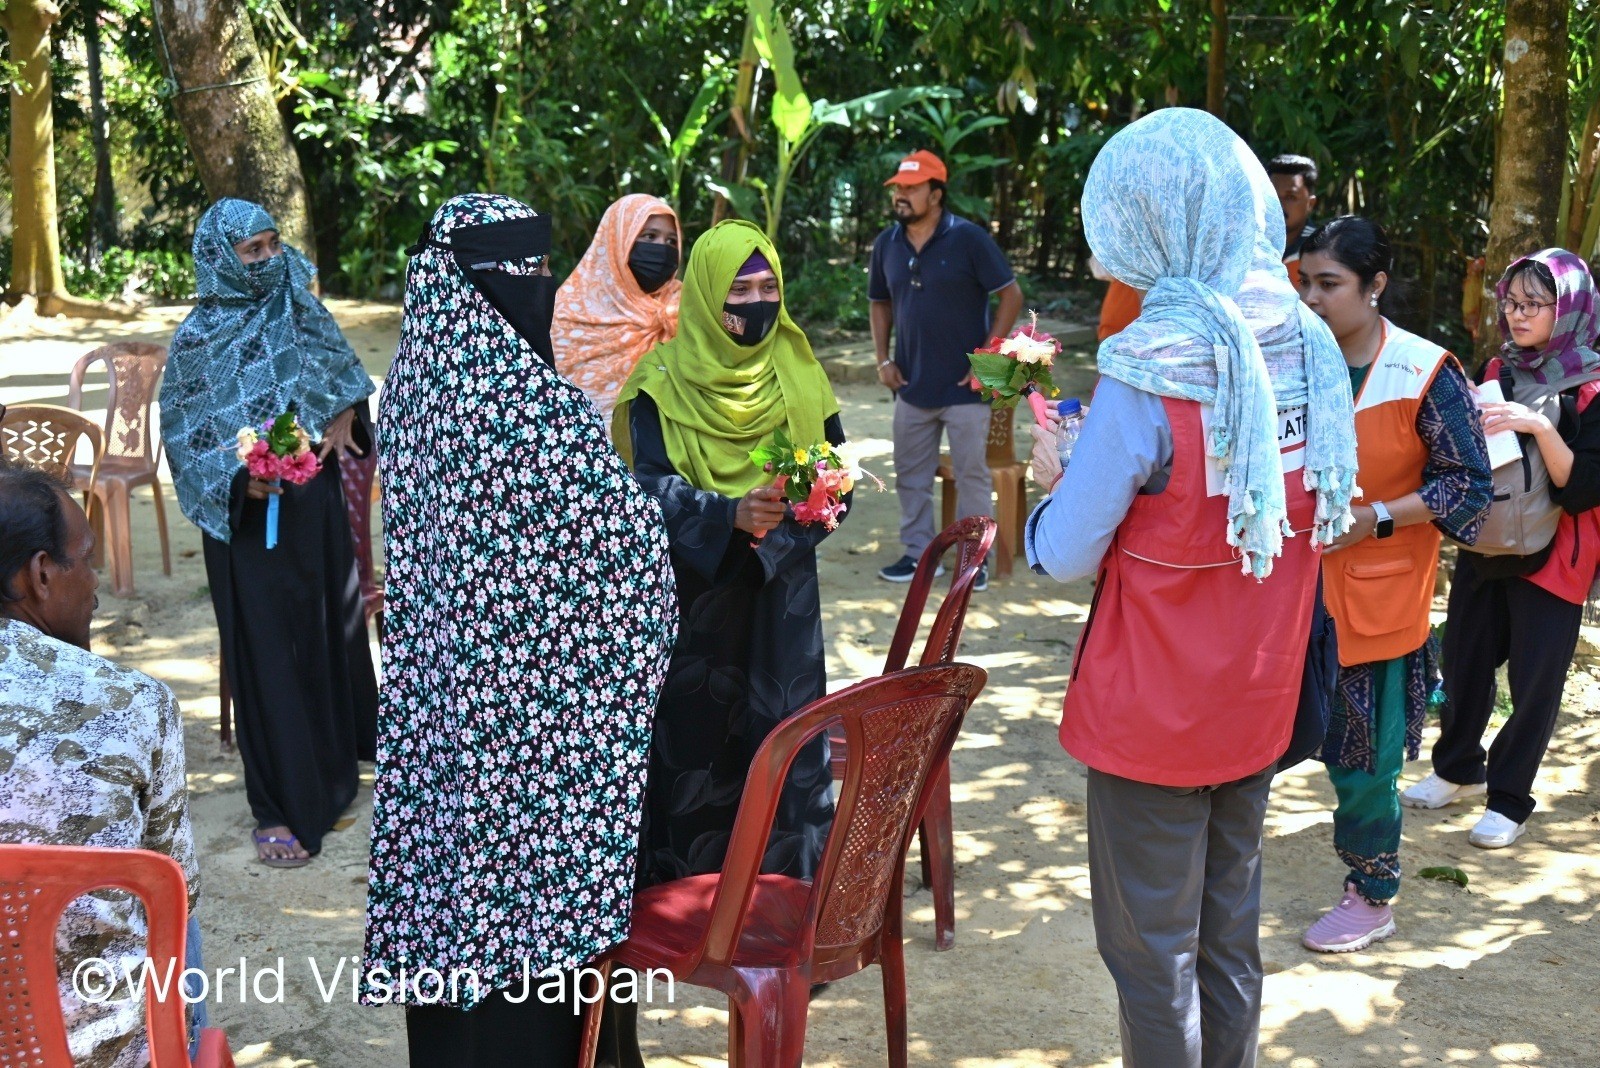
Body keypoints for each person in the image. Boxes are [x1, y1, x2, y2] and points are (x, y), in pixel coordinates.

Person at [1024, 108, 1359, 1068]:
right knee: (1227, 936)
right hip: (1258, 693)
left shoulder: (1152, 368)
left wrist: (1055, 483)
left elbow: (1068, 551)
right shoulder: (1310, 346)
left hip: (1152, 714)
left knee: (1150, 958)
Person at [361, 193, 678, 1066]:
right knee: (533, 944)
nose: (541, 286)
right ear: (483, 279)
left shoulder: (417, 384)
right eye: (527, 270)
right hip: (537, 754)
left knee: (454, 904)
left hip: (445, 719)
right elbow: (628, 549)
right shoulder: (525, 406)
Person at [160, 198, 378, 868]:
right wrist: (239, 480)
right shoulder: (197, 341)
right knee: (267, 654)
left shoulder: (297, 305)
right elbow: (186, 436)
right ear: (220, 259)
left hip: (311, 507)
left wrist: (345, 411)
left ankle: (333, 774)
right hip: (245, 524)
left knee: (321, 633)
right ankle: (280, 802)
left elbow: (343, 376)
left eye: (272, 245)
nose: (266, 260)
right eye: (251, 250)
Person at [1295, 216, 1492, 952]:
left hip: (1373, 596)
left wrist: (1377, 517)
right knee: (1258, 735)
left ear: (1375, 285)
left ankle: (1372, 893)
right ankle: (1219, 875)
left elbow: (1468, 486)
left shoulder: (1423, 371)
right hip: (1281, 590)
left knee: (1363, 759)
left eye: (1329, 284)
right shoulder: (1284, 359)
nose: (1311, 298)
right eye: (1304, 281)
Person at [0, 461, 201, 1068]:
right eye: (86, 559)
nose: (97, 582)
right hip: (100, 1051)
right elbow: (181, 889)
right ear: (40, 574)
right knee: (175, 911)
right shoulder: (135, 701)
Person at [1404, 248, 1600, 847]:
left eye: (1534, 304)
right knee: (1464, 657)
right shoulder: (1498, 367)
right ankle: (1458, 768)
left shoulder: (1591, 386)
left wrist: (1536, 424)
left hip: (1558, 549)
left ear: (1568, 309)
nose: (1518, 315)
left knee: (1535, 680)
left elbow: (1582, 490)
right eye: (1512, 302)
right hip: (1489, 537)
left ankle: (1510, 798)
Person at [870, 149, 1023, 590]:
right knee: (910, 476)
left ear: (936, 194)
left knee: (972, 475)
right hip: (911, 385)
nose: (900, 195)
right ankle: (919, 554)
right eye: (898, 188)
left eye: (911, 188)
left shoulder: (969, 239)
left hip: (964, 388)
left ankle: (973, 559)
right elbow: (879, 302)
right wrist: (883, 359)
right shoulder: (886, 244)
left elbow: (1011, 295)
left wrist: (987, 360)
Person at [552, 193, 683, 429]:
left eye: (671, 241)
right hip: (583, 445)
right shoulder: (569, 313)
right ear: (617, 240)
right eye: (649, 236)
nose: (662, 248)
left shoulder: (684, 307)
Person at [1266, 154, 1319, 289]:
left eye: (1290, 197)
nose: (1279, 205)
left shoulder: (1323, 250)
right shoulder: (1248, 243)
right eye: (1272, 195)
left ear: (1310, 204)